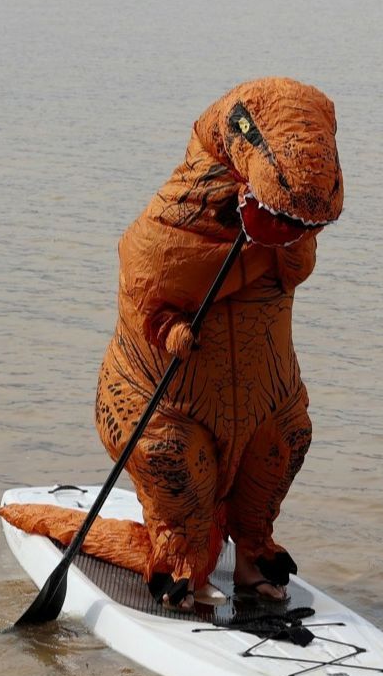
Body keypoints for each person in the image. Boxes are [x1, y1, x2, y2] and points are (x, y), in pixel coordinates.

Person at [94, 76, 344, 611]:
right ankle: (180, 560)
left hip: (265, 397)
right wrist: (169, 328)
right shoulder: (176, 217)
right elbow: (144, 278)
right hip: (168, 400)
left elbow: (295, 271)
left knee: (286, 441)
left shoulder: (285, 228)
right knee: (172, 461)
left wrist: (288, 237)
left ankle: (254, 553)